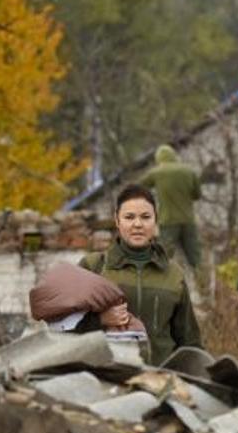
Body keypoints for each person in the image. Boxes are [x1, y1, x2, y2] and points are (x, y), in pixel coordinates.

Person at [78, 184, 202, 365]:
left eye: (145, 217)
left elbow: (190, 343)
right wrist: (100, 320)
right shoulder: (93, 267)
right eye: (129, 217)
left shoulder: (174, 275)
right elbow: (64, 329)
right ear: (117, 221)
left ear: (155, 220)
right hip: (106, 381)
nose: (138, 224)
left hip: (161, 382)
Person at [141, 144, 202, 270]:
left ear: (159, 159)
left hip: (168, 220)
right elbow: (197, 195)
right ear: (174, 156)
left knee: (164, 256)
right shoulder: (189, 171)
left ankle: (162, 282)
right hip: (188, 220)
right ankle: (201, 284)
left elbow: (139, 187)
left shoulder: (156, 173)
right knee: (195, 258)